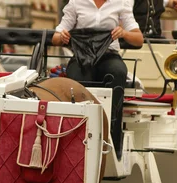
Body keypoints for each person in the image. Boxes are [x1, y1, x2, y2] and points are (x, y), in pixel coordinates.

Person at [52, 0, 144, 158]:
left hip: (109, 55)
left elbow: (139, 39)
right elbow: (55, 38)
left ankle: (113, 139)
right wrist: (63, 36)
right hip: (81, 57)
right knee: (77, 82)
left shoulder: (120, 3)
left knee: (117, 72)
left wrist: (123, 33)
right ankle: (75, 138)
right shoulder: (76, 2)